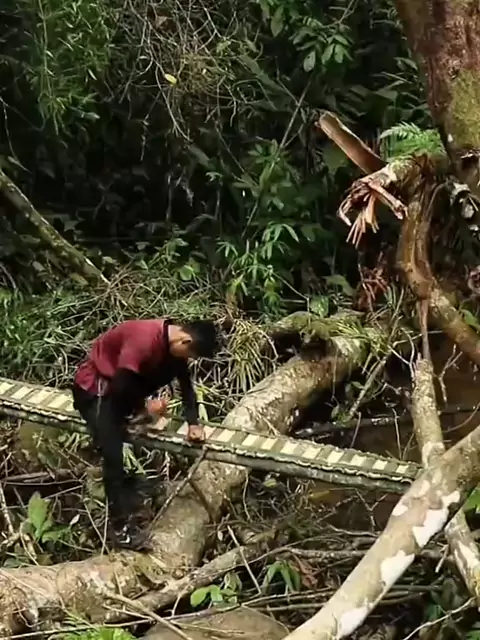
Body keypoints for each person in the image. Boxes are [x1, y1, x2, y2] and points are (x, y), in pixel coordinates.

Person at [72, 318, 218, 550]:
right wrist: (145, 409)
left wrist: (193, 424)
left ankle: (136, 495)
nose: (188, 359)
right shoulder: (144, 341)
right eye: (190, 354)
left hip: (124, 389)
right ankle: (120, 530)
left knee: (166, 372)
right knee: (113, 455)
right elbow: (120, 386)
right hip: (97, 390)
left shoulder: (174, 347)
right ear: (185, 340)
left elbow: (187, 387)